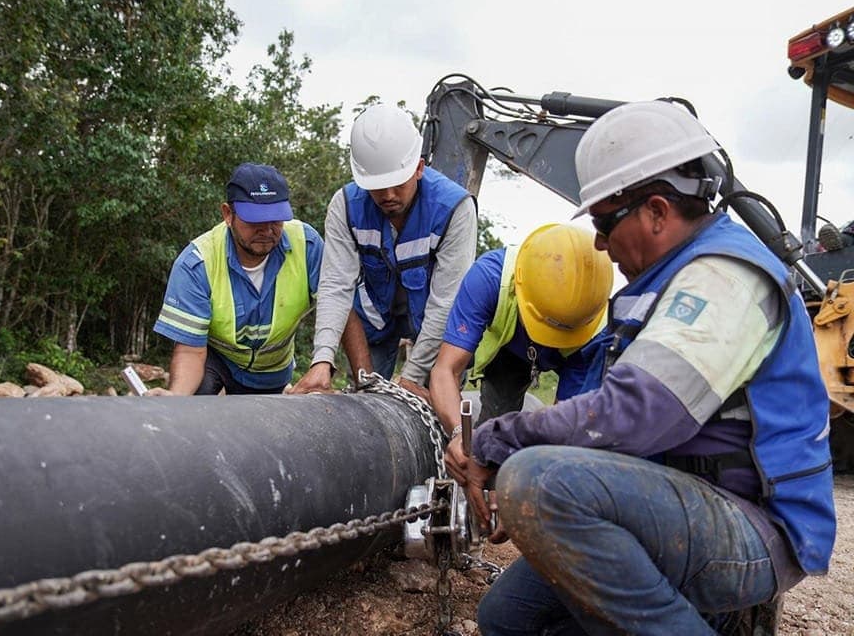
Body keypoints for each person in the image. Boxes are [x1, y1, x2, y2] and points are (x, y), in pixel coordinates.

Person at [453, 101, 836, 635]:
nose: (601, 243)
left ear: (657, 210)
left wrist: (497, 444)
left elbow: (633, 416)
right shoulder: (663, 282)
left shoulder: (725, 277)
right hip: (679, 504)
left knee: (537, 483)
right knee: (507, 618)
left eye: (605, 222)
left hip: (753, 527)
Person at [290, 104, 477, 399]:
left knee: (435, 402)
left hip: (434, 323)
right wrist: (322, 360)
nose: (388, 196)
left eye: (397, 184)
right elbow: (336, 286)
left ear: (418, 167)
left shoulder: (454, 209)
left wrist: (413, 378)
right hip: (375, 321)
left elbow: (446, 302)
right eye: (377, 187)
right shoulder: (346, 206)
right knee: (367, 407)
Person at [430, 223, 613, 471]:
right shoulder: (489, 278)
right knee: (489, 439)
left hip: (575, 357)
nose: (550, 339)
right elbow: (445, 370)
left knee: (563, 453)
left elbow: (565, 430)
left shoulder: (597, 333)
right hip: (511, 353)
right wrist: (460, 434)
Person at [151, 163, 323, 395]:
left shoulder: (307, 245)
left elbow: (339, 308)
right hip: (217, 363)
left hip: (272, 371)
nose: (266, 230)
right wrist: (177, 398)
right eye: (255, 221)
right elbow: (191, 351)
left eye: (275, 220)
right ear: (228, 215)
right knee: (194, 404)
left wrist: (324, 365)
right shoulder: (197, 263)